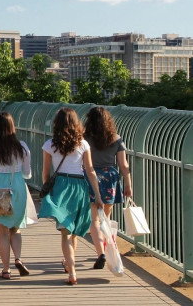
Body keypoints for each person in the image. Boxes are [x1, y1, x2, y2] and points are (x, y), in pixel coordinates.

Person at [38, 107, 103, 285]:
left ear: (56, 124)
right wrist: (97, 195)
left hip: (60, 185)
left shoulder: (50, 144)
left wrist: (48, 191)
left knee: (66, 231)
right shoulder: (83, 144)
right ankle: (69, 265)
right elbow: (90, 170)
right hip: (79, 186)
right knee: (73, 231)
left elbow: (45, 173)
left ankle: (71, 271)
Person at [0, 112, 33, 280]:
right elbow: (27, 172)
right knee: (15, 228)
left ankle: (6, 269)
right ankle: (18, 258)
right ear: (12, 127)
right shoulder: (22, 146)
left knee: (2, 231)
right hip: (16, 185)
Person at [84, 106, 132, 270]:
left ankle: (100, 254)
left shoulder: (84, 139)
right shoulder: (116, 139)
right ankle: (105, 249)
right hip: (110, 178)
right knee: (106, 217)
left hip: (91, 177)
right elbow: (123, 165)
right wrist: (128, 184)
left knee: (94, 219)